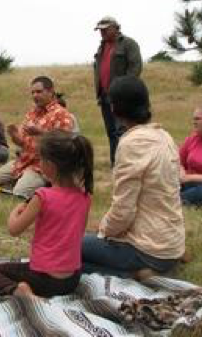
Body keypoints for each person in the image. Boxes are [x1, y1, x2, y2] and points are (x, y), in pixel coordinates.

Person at [82, 76, 185, 279]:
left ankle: (137, 274)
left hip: (148, 249)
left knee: (67, 248)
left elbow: (123, 211)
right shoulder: (164, 136)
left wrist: (103, 230)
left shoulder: (132, 143)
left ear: (114, 108)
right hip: (171, 244)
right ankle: (154, 269)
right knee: (86, 243)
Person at [0, 130, 93, 298]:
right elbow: (79, 232)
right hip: (72, 279)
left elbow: (14, 230)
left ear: (51, 165)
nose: (39, 162)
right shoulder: (85, 196)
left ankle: (20, 291)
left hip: (45, 279)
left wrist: (15, 212)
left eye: (41, 159)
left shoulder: (43, 196)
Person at [0, 76, 74, 199]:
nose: (35, 95)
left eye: (39, 92)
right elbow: (22, 143)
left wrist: (41, 133)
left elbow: (65, 144)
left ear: (50, 92)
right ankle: (17, 186)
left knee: (19, 194)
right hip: (23, 161)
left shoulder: (61, 114)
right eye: (32, 92)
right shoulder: (32, 113)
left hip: (42, 166)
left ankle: (44, 189)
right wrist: (14, 135)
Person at [93, 16, 142, 166]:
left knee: (122, 130)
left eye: (105, 29)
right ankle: (115, 163)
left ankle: (126, 163)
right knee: (111, 132)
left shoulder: (128, 44)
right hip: (104, 95)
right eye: (100, 30)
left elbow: (135, 67)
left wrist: (125, 89)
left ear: (116, 27)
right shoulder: (101, 47)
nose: (102, 32)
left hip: (120, 95)